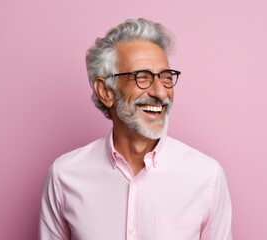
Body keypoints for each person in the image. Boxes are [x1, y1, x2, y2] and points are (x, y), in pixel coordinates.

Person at [39, 18, 232, 240]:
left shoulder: (207, 176)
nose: (160, 93)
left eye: (166, 77)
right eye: (143, 78)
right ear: (106, 92)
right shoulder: (64, 176)